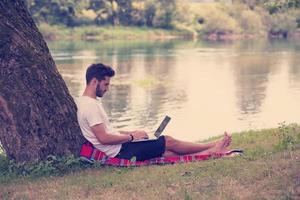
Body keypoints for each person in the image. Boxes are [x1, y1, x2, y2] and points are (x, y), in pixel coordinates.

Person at [76, 63, 232, 161]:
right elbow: (103, 138)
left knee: (166, 150)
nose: (107, 88)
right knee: (167, 141)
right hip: (121, 151)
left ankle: (210, 150)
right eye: (106, 84)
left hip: (122, 147)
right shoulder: (90, 106)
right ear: (94, 81)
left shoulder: (89, 103)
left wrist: (132, 133)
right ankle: (213, 147)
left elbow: (108, 131)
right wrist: (131, 137)